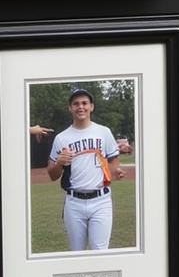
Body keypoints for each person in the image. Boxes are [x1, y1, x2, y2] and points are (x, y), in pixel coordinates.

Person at [47, 87, 124, 251]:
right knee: (77, 253)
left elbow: (113, 158)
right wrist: (59, 163)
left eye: (84, 103)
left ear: (92, 106)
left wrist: (115, 170)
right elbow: (52, 175)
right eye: (76, 104)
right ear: (70, 108)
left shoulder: (103, 132)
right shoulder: (61, 138)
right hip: (74, 202)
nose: (80, 107)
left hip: (101, 201)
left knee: (100, 252)